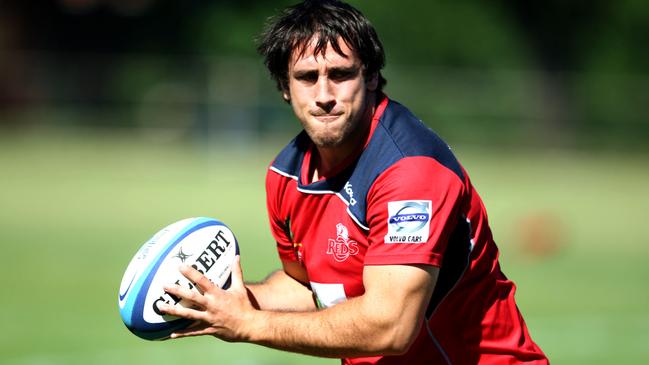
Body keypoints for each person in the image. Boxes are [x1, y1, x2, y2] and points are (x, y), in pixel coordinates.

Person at [159, 1, 549, 364]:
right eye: (307, 77)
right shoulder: (285, 174)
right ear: (284, 86)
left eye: (340, 74)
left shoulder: (411, 171)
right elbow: (310, 289)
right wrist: (223, 303)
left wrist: (251, 325)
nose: (324, 95)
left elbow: (391, 326)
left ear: (372, 76)